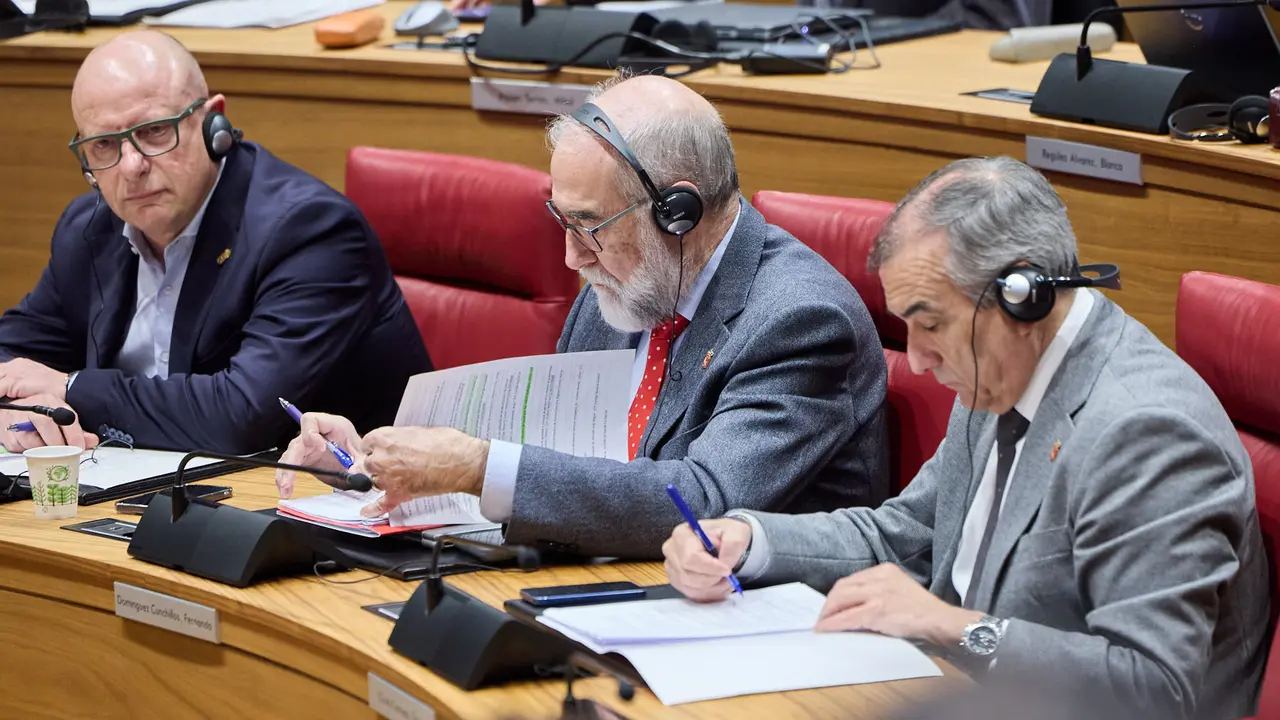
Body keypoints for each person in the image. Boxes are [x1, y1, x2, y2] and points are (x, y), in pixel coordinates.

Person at [662, 156, 1270, 719]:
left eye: (931, 324)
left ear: (1024, 298)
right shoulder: (1001, 368)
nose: (919, 360)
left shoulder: (1147, 433)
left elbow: (1153, 687)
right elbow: (909, 533)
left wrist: (952, 626)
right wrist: (747, 539)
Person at [276, 73, 890, 559]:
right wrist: (374, 468)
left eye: (590, 226)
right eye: (563, 221)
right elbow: (559, 475)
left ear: (680, 211)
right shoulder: (626, 280)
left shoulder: (800, 320)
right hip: (612, 579)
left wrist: (477, 465)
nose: (573, 257)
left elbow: (705, 502)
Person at [0, 31, 430, 455]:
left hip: (331, 503)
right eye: (104, 145)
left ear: (213, 123)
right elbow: (12, 357)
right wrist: (12, 408)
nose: (131, 167)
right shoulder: (89, 229)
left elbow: (242, 414)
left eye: (153, 132)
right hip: (142, 491)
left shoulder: (310, 231)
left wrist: (69, 388)